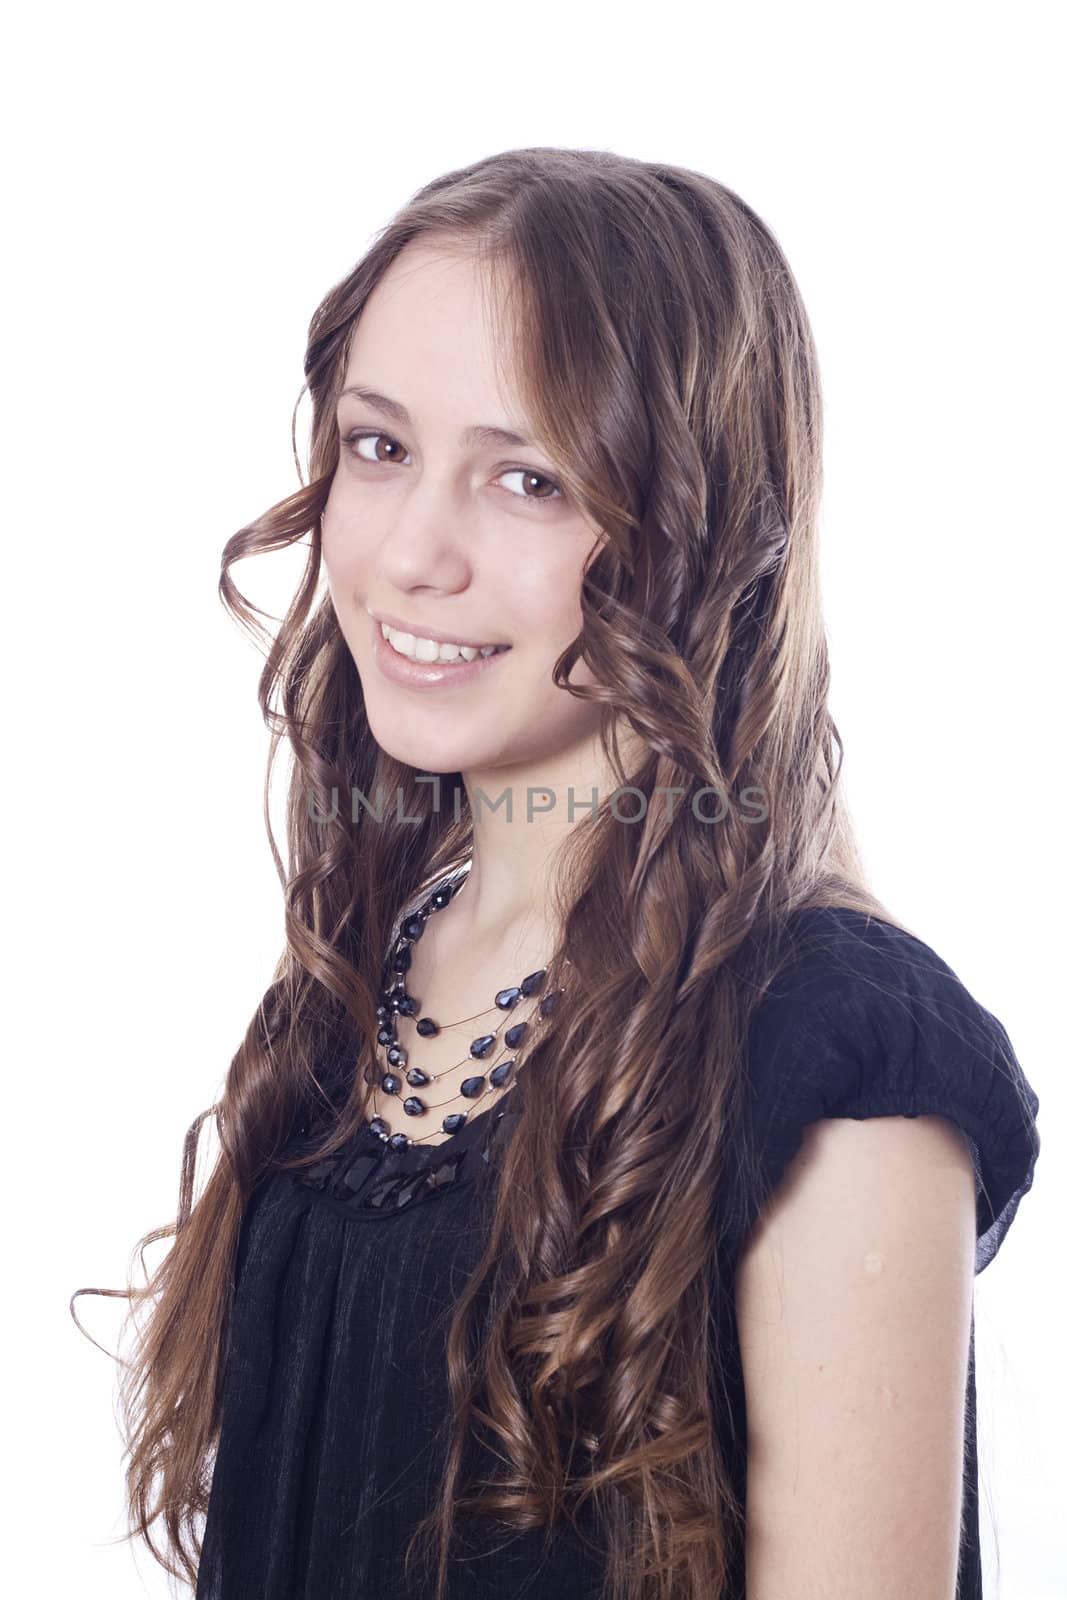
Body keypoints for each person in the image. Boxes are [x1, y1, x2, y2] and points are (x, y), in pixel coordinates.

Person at [72, 146, 1041, 1600]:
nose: (410, 553)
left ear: (705, 531)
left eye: (528, 479)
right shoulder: (364, 976)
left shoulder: (838, 1056)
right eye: (380, 446)